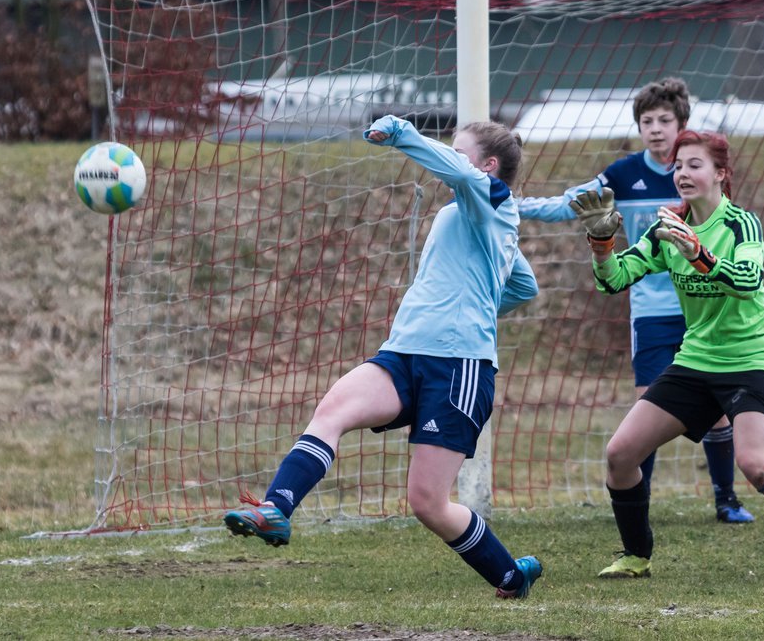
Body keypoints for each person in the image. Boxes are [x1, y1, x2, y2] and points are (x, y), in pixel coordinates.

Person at [223, 114, 544, 600]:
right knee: (331, 411)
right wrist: (478, 301)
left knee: (427, 503)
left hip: (458, 368)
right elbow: (522, 285)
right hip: (403, 354)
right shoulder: (461, 215)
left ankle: (510, 576)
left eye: (459, 151)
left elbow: (463, 180)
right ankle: (276, 510)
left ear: (489, 166)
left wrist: (402, 135)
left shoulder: (493, 204)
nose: (452, 158)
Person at [571, 129, 764, 580]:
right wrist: (602, 244)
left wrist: (699, 252)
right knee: (620, 453)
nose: (682, 173)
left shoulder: (741, 224)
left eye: (694, 165)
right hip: (696, 361)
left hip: (753, 359)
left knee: (755, 464)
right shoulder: (664, 227)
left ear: (721, 174)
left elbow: (746, 280)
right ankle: (636, 556)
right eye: (678, 165)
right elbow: (614, 279)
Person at [516, 78, 754, 524]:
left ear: (683, 124)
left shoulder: (698, 175)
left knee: (717, 412)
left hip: (703, 309)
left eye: (665, 120)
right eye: (648, 121)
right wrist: (515, 205)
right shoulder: (624, 173)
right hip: (651, 313)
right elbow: (575, 202)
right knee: (648, 407)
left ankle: (727, 500)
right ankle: (636, 504)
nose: (657, 128)